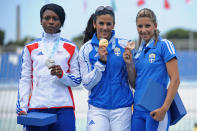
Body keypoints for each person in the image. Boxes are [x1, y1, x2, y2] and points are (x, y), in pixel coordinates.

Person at [16, 3, 81, 131]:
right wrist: (22, 107)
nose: (51, 22)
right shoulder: (30, 48)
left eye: (55, 18)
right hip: (36, 108)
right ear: (41, 21)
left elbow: (77, 80)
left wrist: (62, 75)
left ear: (61, 22)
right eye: (47, 18)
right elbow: (25, 79)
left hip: (64, 108)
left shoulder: (71, 47)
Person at [78, 6, 135, 131]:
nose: (105, 27)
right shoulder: (85, 50)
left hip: (122, 108)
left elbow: (135, 80)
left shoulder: (125, 45)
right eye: (101, 23)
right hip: (97, 109)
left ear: (113, 25)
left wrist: (130, 64)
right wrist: (101, 62)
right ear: (94, 24)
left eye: (108, 24)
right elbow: (86, 84)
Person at [126, 8, 180, 131]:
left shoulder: (164, 45)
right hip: (138, 110)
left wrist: (164, 109)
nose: (143, 30)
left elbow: (175, 79)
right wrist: (129, 64)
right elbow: (135, 84)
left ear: (155, 25)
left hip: (156, 109)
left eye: (147, 26)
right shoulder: (138, 52)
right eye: (140, 26)